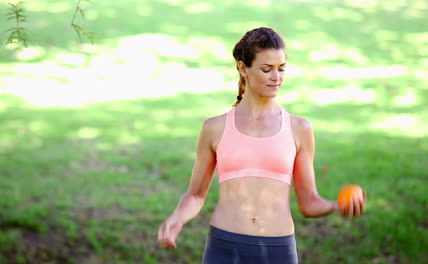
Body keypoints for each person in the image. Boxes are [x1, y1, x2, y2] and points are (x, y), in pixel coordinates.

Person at [157, 27, 366, 264]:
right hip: (224, 248)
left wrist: (335, 206)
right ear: (243, 68)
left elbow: (308, 202)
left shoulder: (299, 129)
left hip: (278, 250)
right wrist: (178, 218)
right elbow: (195, 194)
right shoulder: (215, 128)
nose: (276, 77)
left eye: (281, 68)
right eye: (267, 69)